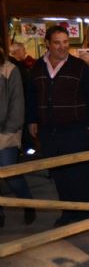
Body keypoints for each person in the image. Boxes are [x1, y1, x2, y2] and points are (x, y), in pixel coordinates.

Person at [26, 26, 89, 227]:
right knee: (59, 174)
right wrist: (32, 120)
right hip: (49, 131)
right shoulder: (37, 68)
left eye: (66, 42)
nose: (62, 47)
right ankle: (68, 212)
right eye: (57, 42)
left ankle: (84, 212)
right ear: (48, 44)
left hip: (76, 129)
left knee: (78, 173)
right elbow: (32, 96)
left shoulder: (79, 66)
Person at [0, 46, 35, 227]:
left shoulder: (9, 69)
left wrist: (9, 129)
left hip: (7, 132)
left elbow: (17, 102)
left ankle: (28, 203)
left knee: (11, 174)